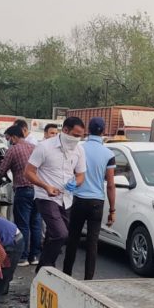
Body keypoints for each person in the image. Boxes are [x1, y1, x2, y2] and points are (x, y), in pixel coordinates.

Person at [25, 117, 87, 272]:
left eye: (80, 136)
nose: (77, 139)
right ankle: (47, 267)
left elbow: (81, 175)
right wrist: (45, 186)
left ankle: (43, 269)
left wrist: (76, 182)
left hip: (66, 198)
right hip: (46, 197)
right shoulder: (45, 147)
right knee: (61, 234)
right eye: (75, 134)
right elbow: (29, 172)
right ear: (65, 130)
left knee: (55, 236)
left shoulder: (79, 150)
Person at [63, 117, 117, 280]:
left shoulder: (79, 148)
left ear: (88, 130)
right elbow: (110, 184)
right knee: (92, 243)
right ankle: (88, 280)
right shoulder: (109, 154)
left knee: (72, 239)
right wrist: (112, 210)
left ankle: (67, 275)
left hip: (78, 198)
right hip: (96, 202)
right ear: (104, 131)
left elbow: (71, 171)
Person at [0, 125, 42, 267]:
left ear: (13, 137)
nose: (8, 141)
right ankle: (35, 256)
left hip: (23, 190)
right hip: (39, 190)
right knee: (36, 224)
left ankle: (23, 257)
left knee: (23, 225)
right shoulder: (35, 147)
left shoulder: (13, 150)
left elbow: (2, 171)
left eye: (8, 138)